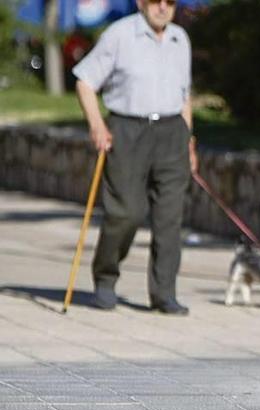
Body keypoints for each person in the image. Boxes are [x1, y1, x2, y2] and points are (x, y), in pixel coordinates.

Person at [73, 0, 198, 315]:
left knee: (170, 217)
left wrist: (189, 142)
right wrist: (97, 126)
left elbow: (184, 96)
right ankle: (105, 277)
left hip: (172, 132)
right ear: (141, 3)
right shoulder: (119, 34)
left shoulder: (180, 39)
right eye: (155, 1)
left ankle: (164, 293)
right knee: (126, 211)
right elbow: (85, 82)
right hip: (128, 129)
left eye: (169, 2)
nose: (162, 7)